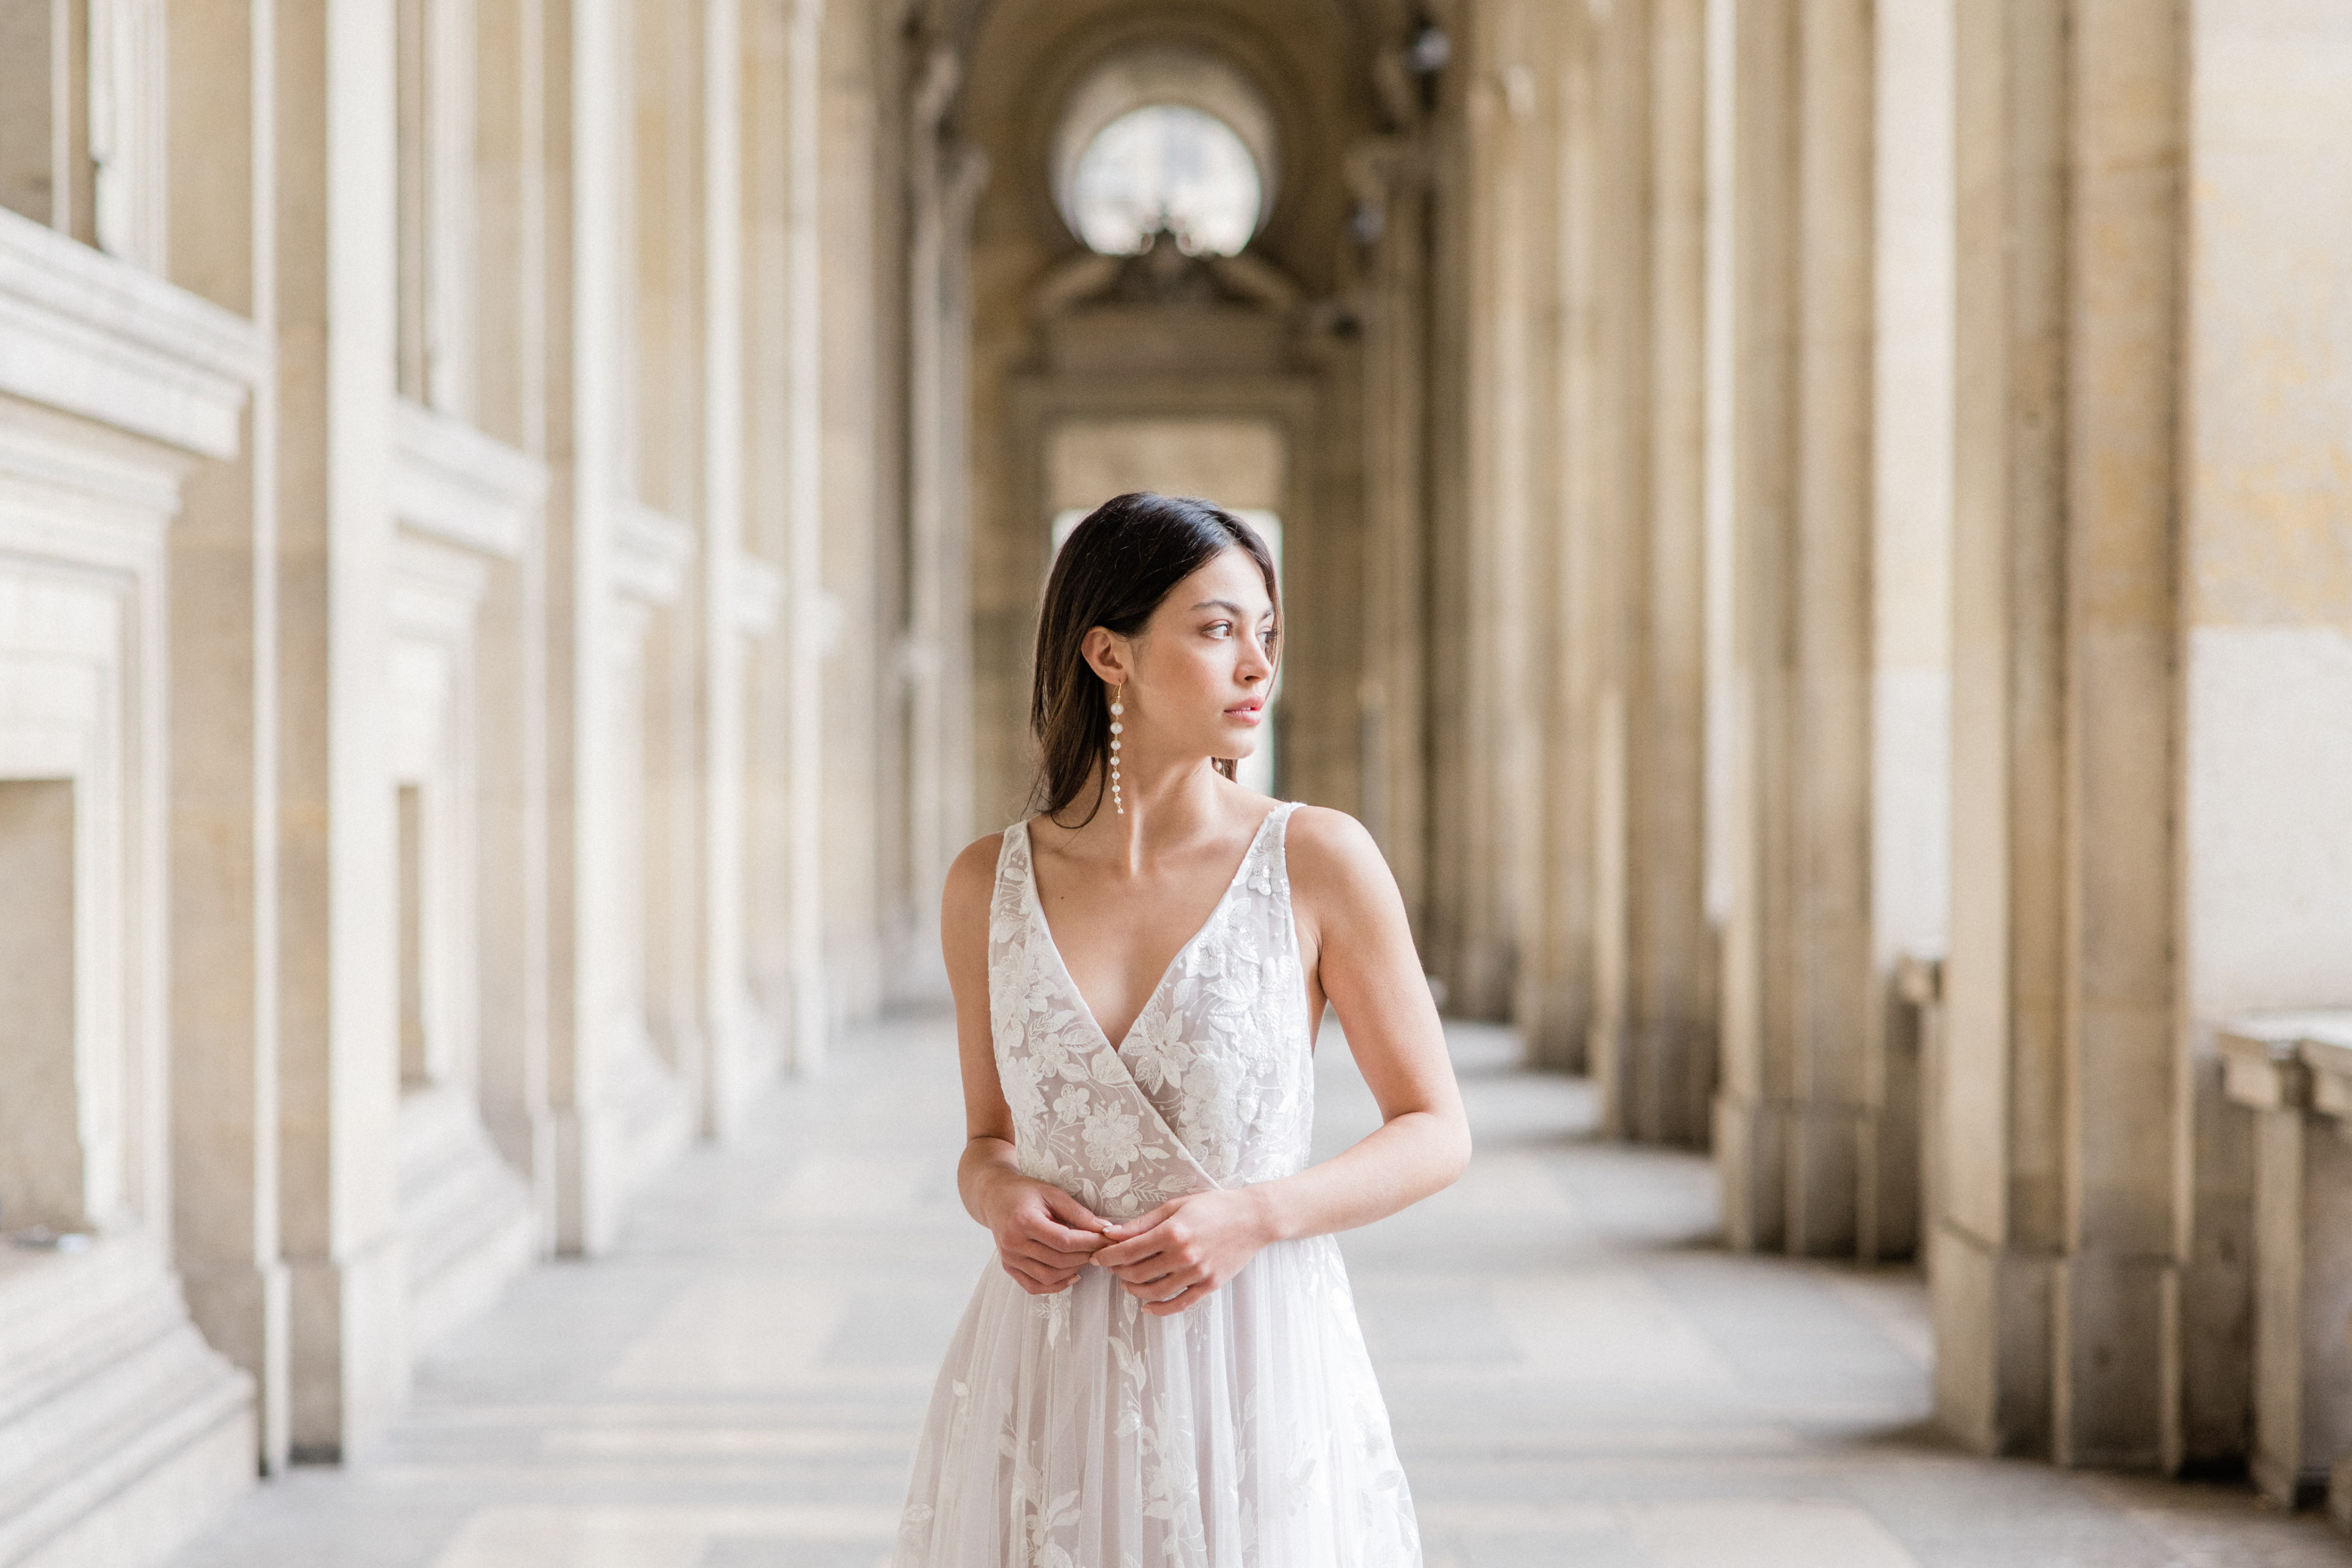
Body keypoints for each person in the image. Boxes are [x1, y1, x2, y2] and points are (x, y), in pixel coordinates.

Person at [892, 492, 1470, 1568]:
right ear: (1108, 652)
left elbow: (1437, 1127)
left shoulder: (1318, 859)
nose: (1256, 664)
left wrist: (1258, 1213)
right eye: (1216, 629)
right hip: (1044, 1367)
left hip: (1252, 1366)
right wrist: (1001, 1196)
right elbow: (985, 1140)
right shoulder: (988, 882)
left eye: (1267, 632)